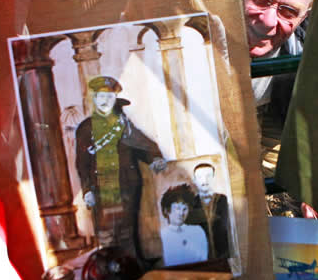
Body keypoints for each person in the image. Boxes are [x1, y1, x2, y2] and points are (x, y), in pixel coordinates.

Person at [75, 76, 165, 259]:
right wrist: (86, 191)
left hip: (127, 186)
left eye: (110, 97)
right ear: (95, 99)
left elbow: (144, 146)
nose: (106, 101)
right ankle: (110, 272)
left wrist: (155, 158)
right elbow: (82, 164)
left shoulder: (123, 125)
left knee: (127, 233)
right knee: (106, 235)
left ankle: (131, 271)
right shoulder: (86, 128)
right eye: (101, 97)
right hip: (101, 188)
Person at [240, 0, 318, 110]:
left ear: (303, 18)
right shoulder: (190, 36)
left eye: (288, 11)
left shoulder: (309, 71)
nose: (269, 21)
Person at [185, 163, 231, 260]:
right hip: (201, 256)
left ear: (214, 178)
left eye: (208, 176)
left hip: (225, 254)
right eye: (200, 177)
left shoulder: (223, 200)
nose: (204, 180)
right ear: (195, 180)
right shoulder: (191, 204)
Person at [159, 184, 208, 267]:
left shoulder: (198, 231)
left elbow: (204, 261)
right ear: (167, 210)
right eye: (177, 208)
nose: (181, 213)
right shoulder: (162, 236)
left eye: (185, 209)